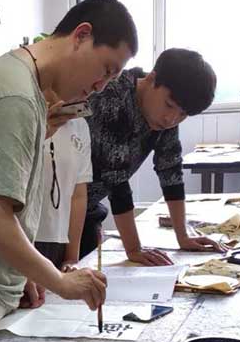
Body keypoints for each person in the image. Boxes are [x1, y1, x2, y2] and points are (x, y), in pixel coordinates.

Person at [0, 0, 139, 342]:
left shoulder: (23, 84)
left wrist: (21, 270)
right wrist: (60, 280)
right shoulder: (15, 96)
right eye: (106, 69)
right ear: (81, 35)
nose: (101, 86)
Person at [84, 48, 220, 265]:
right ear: (151, 79)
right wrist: (134, 249)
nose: (171, 119)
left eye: (183, 114)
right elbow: (116, 181)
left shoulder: (164, 117)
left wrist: (183, 236)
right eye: (169, 105)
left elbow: (170, 170)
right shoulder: (113, 97)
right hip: (54, 206)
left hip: (86, 209)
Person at [34, 113, 92, 271]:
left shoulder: (79, 124)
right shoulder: (27, 114)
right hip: (22, 237)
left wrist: (72, 257)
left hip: (58, 240)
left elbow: (78, 195)